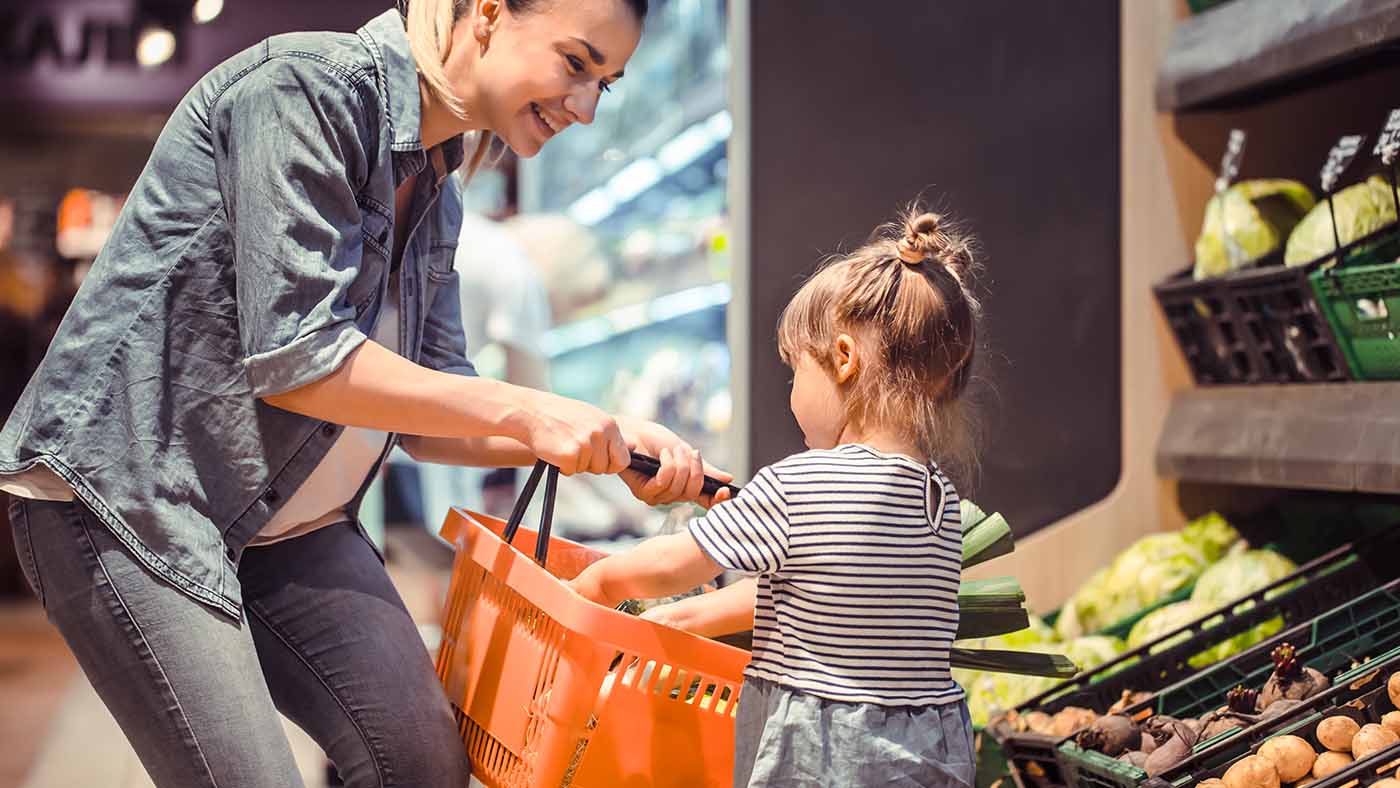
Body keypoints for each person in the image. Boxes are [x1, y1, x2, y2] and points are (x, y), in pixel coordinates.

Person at [0, 1, 730, 786]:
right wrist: (535, 410)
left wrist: (604, 437)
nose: (584, 108)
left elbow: (434, 408)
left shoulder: (441, 184)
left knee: (419, 766)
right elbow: (299, 355)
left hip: (288, 526)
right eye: (576, 64)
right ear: (486, 14)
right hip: (134, 504)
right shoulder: (305, 90)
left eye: (607, 85)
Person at [569, 207, 983, 788]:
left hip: (824, 756)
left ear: (843, 359)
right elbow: (824, 608)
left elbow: (673, 562)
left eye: (795, 370)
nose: (792, 389)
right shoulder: (937, 499)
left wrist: (595, 586)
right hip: (925, 748)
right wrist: (681, 617)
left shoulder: (805, 483)